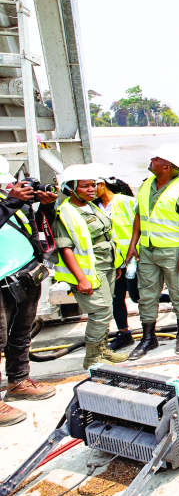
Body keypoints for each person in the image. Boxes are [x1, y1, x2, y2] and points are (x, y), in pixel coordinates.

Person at [125, 144, 179, 361]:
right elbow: (139, 216)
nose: (151, 161)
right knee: (146, 295)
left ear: (166, 167)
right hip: (147, 251)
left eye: (155, 159)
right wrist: (133, 244)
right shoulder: (146, 185)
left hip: (173, 252)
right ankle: (148, 337)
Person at [53, 165, 129, 368]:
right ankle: (92, 357)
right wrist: (81, 278)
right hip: (90, 272)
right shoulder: (66, 211)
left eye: (93, 185)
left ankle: (102, 350)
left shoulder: (91, 206)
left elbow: (107, 235)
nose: (91, 189)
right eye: (85, 186)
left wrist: (116, 262)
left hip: (107, 266)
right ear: (70, 188)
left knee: (106, 309)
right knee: (100, 312)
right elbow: (65, 249)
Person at [0, 169, 58, 427]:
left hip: (23, 274)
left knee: (21, 331)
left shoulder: (9, 196)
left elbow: (36, 227)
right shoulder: (10, 199)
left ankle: (18, 381)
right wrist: (12, 201)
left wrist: (47, 207)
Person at [90, 166, 141, 352]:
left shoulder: (127, 202)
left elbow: (142, 224)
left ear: (102, 185)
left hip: (134, 258)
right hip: (111, 261)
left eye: (91, 185)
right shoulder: (93, 207)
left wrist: (137, 248)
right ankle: (124, 333)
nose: (89, 189)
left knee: (137, 296)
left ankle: (167, 299)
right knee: (116, 298)